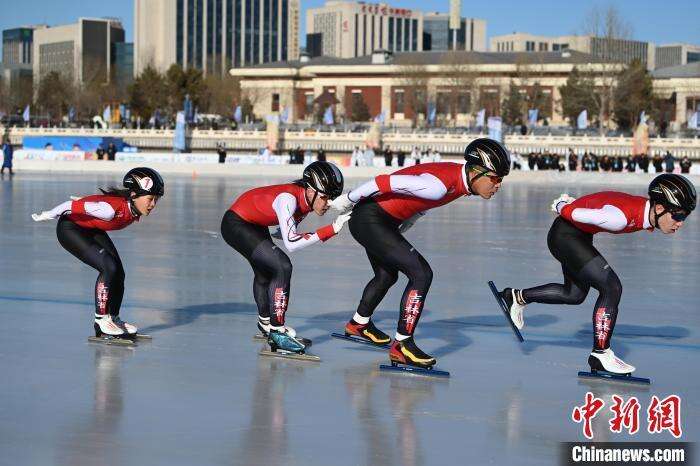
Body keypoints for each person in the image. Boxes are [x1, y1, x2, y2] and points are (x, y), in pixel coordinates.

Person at [329, 138, 511, 370]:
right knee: (421, 274)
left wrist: (403, 225)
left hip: (380, 221)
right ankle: (403, 345)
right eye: (495, 178)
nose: (498, 185)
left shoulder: (457, 181)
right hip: (370, 220)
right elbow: (382, 182)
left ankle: (358, 324)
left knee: (387, 276)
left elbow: (421, 203)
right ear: (476, 172)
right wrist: (347, 200)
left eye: (501, 180)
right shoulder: (440, 185)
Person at [497, 174, 696, 376]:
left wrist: (576, 204)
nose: (680, 223)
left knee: (573, 294)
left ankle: (515, 297)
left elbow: (601, 203)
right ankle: (600, 353)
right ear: (660, 208)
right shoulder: (619, 218)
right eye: (678, 216)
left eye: (684, 217)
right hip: (566, 237)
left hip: (577, 237)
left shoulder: (644, 211)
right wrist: (562, 206)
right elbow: (576, 214)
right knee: (611, 287)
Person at [221, 161, 349, 356]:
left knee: (265, 272)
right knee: (282, 266)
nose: (327, 204)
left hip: (254, 222)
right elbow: (291, 243)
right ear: (310, 190)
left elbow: (281, 233)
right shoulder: (288, 199)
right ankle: (278, 332)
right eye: (324, 197)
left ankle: (266, 324)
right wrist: (331, 229)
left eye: (332, 199)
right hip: (236, 223)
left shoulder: (306, 201)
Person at [31, 168, 165, 340]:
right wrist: (48, 214)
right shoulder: (109, 210)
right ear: (134, 194)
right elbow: (68, 206)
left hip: (90, 227)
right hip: (70, 229)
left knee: (118, 272)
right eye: (150, 199)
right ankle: (101, 319)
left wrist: (85, 202)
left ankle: (113, 319)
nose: (153, 204)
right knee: (108, 266)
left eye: (156, 200)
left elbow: (95, 202)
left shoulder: (130, 207)